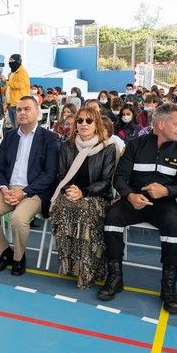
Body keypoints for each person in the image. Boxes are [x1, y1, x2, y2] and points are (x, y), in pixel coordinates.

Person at [98, 103, 177, 314]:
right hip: (134, 201)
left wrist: (166, 191)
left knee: (173, 228)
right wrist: (130, 195)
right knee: (112, 219)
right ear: (161, 123)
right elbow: (119, 178)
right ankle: (115, 276)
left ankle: (168, 287)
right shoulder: (135, 145)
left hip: (164, 205)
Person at [0, 96, 60, 276]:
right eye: (19, 109)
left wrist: (24, 192)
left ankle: (18, 257)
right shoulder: (10, 137)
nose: (22, 113)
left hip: (34, 191)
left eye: (27, 109)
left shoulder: (50, 138)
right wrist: (4, 188)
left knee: (18, 219)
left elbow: (50, 174)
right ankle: (5, 252)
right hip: (8, 189)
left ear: (37, 113)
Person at [49, 107, 117, 288]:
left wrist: (84, 192)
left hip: (97, 196)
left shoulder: (107, 148)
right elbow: (61, 175)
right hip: (70, 192)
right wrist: (71, 192)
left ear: (97, 124)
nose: (84, 124)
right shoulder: (67, 146)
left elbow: (106, 180)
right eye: (80, 121)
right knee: (62, 208)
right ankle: (71, 266)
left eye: (89, 121)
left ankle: (87, 271)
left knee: (84, 212)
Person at [0, 54, 30, 128]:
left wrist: (6, 81)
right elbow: (9, 88)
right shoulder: (11, 74)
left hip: (18, 104)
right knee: (14, 127)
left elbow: (20, 85)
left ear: (18, 61)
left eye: (12, 60)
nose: (10, 62)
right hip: (10, 104)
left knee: (19, 127)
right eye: (9, 60)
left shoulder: (23, 72)